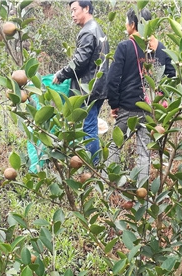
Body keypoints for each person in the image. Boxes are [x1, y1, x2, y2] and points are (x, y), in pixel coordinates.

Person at [106, 8, 175, 186]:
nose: (125, 25)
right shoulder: (160, 48)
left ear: (133, 24)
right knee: (144, 151)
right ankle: (142, 189)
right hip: (151, 109)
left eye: (126, 22)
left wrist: (114, 104)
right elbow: (172, 76)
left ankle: (111, 186)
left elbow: (113, 79)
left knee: (114, 146)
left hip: (128, 108)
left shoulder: (125, 47)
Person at [53, 1, 109, 163]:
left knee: (88, 128)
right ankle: (92, 164)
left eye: (74, 10)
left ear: (86, 8)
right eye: (71, 11)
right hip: (98, 87)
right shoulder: (97, 29)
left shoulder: (88, 32)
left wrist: (61, 74)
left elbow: (80, 61)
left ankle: (92, 166)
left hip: (88, 90)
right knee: (91, 126)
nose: (72, 14)